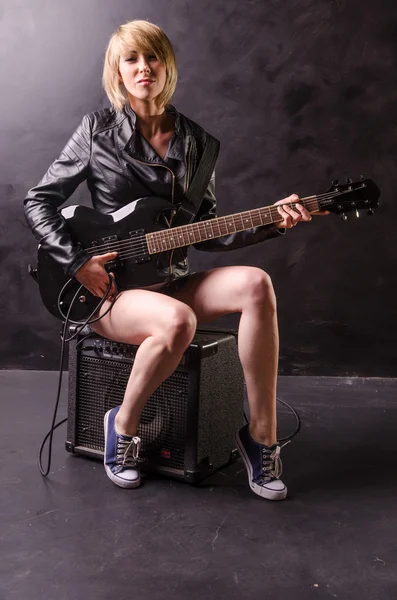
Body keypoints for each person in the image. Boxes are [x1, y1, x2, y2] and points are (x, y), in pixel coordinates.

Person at [24, 19, 326, 500]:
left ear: (168, 66)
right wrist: (78, 259)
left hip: (168, 280)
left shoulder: (200, 144)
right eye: (132, 59)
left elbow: (206, 232)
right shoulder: (97, 131)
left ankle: (261, 439)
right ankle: (122, 427)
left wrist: (274, 220)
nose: (144, 68)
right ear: (117, 72)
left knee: (256, 284)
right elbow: (38, 201)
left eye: (153, 57)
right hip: (109, 290)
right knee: (178, 321)